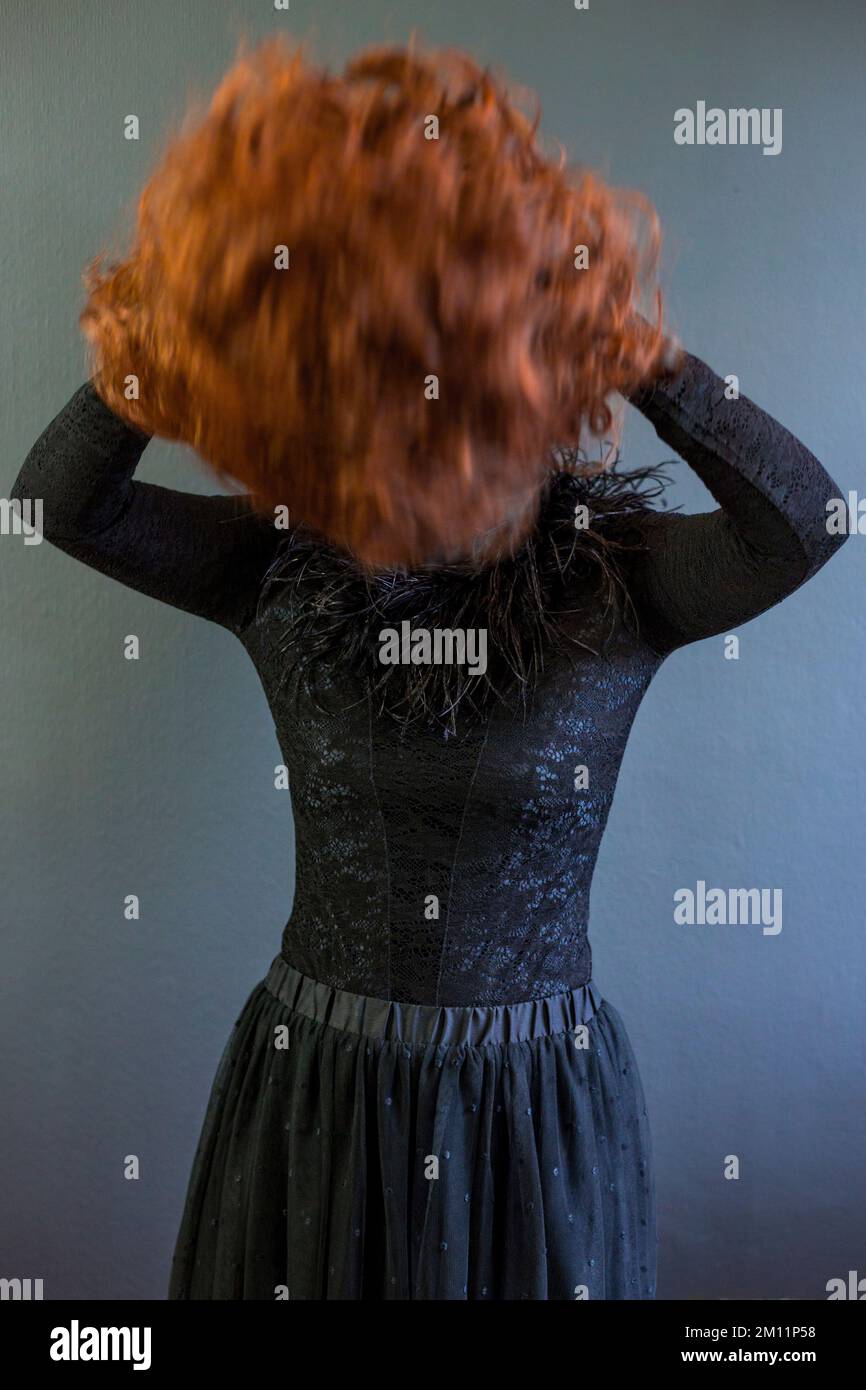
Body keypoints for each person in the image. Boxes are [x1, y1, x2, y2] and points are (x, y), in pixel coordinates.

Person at [10, 37, 849, 1300]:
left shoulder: (623, 579)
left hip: (533, 1114)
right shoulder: (278, 563)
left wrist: (620, 337)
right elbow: (54, 506)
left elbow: (807, 524)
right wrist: (175, 329)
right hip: (315, 1093)